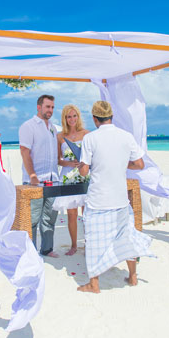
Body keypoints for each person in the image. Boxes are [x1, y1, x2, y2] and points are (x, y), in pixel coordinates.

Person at [76, 101, 153, 293]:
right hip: (120, 199)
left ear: (95, 119)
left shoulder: (90, 138)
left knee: (94, 241)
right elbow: (140, 164)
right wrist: (120, 165)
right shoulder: (126, 136)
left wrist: (81, 166)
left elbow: (84, 172)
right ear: (112, 116)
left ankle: (94, 284)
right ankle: (133, 277)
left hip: (98, 201)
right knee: (127, 237)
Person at [19, 94, 60, 258]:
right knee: (33, 219)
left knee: (49, 218)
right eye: (47, 107)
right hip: (35, 181)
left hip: (53, 180)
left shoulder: (53, 128)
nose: (50, 110)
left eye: (52, 107)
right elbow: (24, 151)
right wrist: (33, 175)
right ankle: (30, 253)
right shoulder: (28, 126)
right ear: (39, 107)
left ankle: (47, 249)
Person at [53, 104, 90, 256]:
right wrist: (69, 163)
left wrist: (83, 161)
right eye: (69, 116)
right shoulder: (60, 136)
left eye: (74, 116)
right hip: (68, 176)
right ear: (65, 119)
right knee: (72, 214)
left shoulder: (87, 134)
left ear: (78, 117)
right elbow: (58, 160)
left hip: (84, 175)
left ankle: (89, 243)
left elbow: (93, 155)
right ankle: (74, 245)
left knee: (87, 212)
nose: (72, 119)